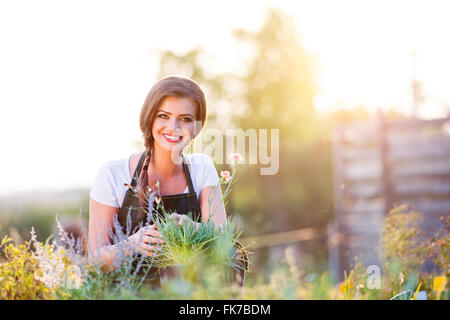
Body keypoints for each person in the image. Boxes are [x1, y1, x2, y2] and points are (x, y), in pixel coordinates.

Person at [88, 76, 227, 278]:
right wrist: (132, 244)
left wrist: (193, 229)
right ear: (150, 117)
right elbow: (94, 260)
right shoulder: (112, 174)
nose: (174, 127)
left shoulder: (202, 167)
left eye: (186, 119)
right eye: (164, 115)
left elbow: (223, 241)